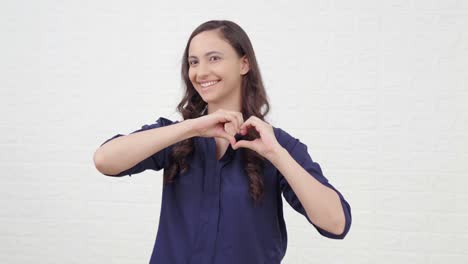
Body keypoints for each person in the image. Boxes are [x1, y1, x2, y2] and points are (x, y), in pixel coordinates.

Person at [93, 20, 352, 264]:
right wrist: (192, 126)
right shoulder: (177, 136)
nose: (201, 72)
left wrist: (278, 155)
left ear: (244, 64)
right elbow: (105, 160)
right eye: (193, 62)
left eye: (214, 58)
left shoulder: (276, 144)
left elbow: (336, 223)